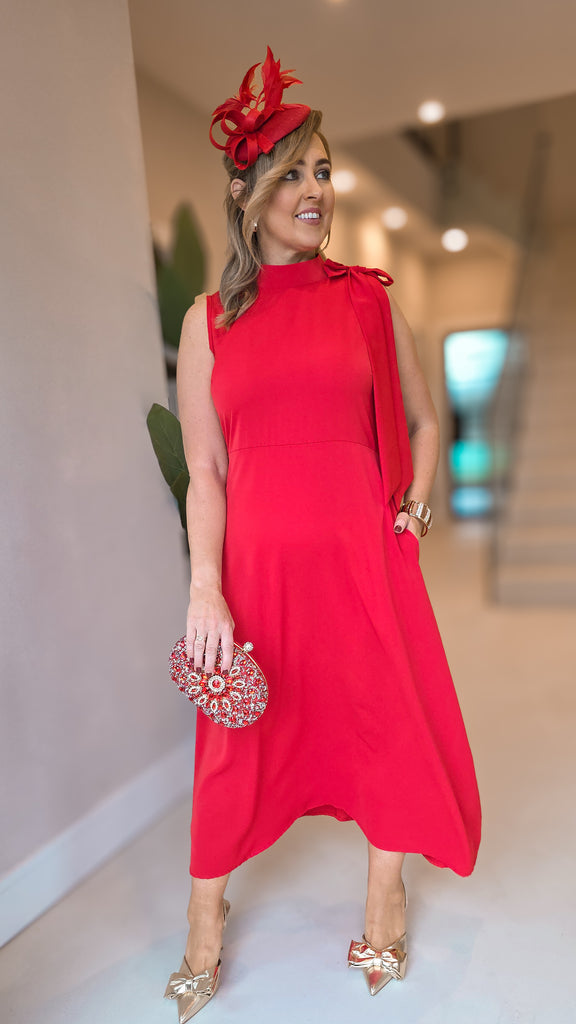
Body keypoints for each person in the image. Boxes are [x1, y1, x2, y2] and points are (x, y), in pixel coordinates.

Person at [164, 46, 481, 1022]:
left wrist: (412, 515)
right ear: (247, 193)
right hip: (256, 574)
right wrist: (205, 586)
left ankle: (385, 896)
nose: (315, 190)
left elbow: (424, 423)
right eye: (293, 173)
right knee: (234, 747)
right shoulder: (207, 321)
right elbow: (207, 469)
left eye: (324, 170)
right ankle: (205, 918)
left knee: (381, 726)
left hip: (362, 563)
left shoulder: (368, 300)